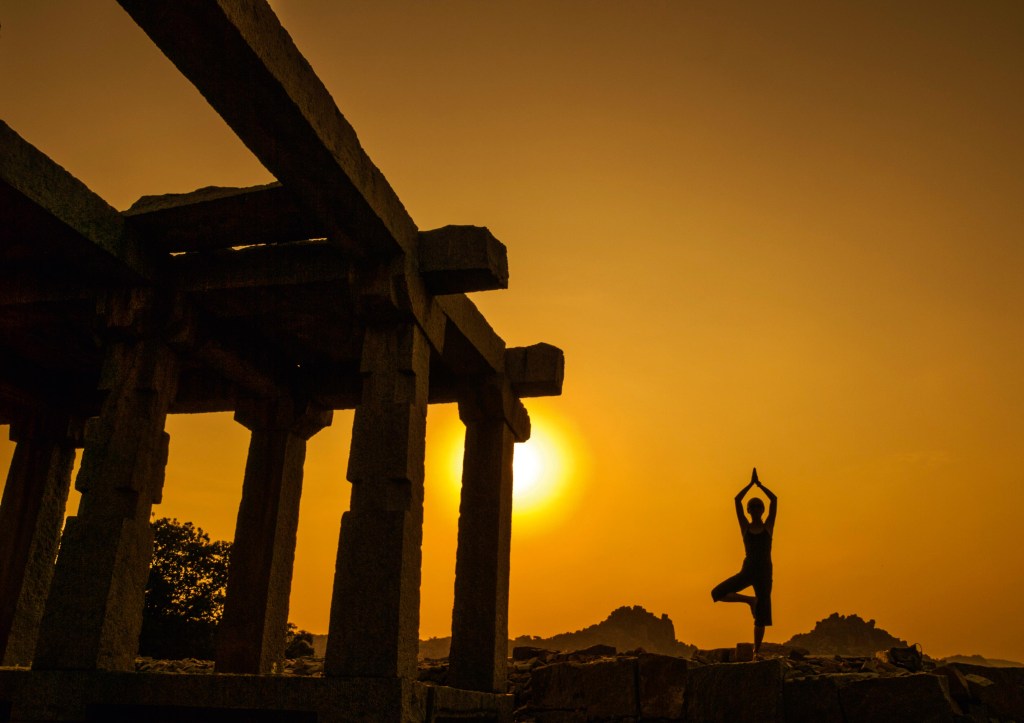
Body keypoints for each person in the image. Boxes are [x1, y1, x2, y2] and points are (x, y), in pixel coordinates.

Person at [711, 467, 777, 656]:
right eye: (752, 507)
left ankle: (757, 651)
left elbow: (774, 500)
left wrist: (760, 485)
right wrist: (749, 485)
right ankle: (749, 600)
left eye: (758, 507)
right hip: (747, 571)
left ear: (762, 510)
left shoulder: (768, 527)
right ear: (748, 511)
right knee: (717, 593)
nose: (755, 510)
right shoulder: (745, 528)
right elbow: (737, 501)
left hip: (764, 572)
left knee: (762, 616)